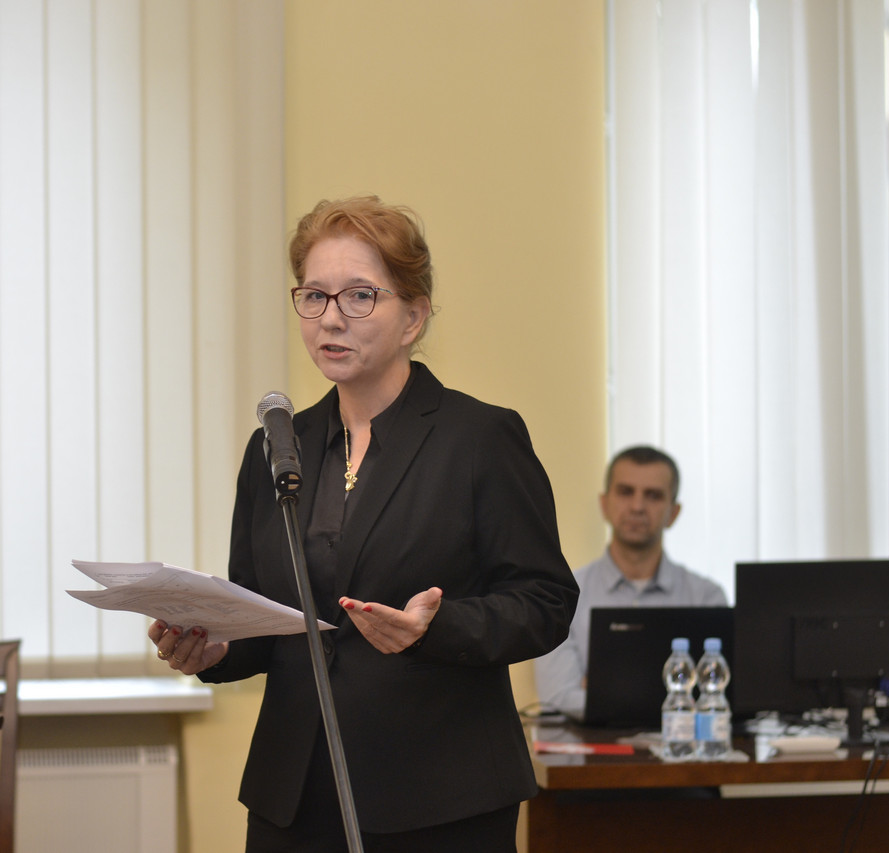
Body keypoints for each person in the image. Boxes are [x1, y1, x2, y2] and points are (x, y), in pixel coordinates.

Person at [148, 195, 579, 852]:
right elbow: (264, 619)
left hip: (440, 797)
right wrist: (215, 649)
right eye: (314, 296)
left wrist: (436, 627)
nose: (331, 317)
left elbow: (545, 602)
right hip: (293, 796)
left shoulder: (479, 438)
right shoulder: (277, 445)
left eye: (359, 296)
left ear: (413, 316)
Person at [533, 445, 728, 722]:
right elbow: (558, 696)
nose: (637, 507)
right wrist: (675, 696)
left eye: (653, 495)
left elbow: (715, 694)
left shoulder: (707, 597)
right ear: (604, 504)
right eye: (626, 492)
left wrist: (598, 690)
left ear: (674, 512)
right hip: (588, 750)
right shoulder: (562, 594)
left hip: (681, 747)